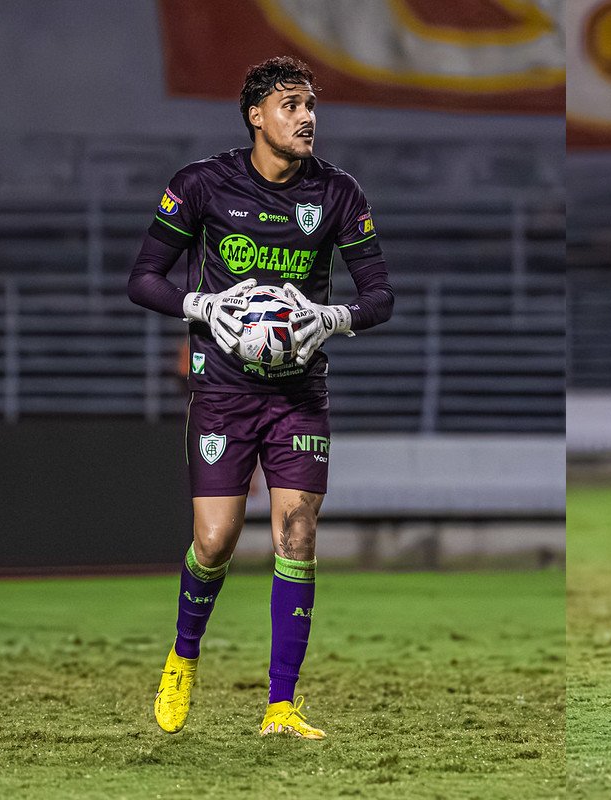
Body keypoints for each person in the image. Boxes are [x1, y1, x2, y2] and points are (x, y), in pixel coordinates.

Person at [128, 56, 394, 738]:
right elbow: (144, 279)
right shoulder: (201, 185)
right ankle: (184, 655)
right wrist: (202, 305)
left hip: (300, 392)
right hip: (222, 388)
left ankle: (281, 705)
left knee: (298, 531)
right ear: (255, 115)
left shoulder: (337, 193)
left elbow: (379, 296)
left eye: (311, 105)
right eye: (291, 105)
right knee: (214, 542)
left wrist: (332, 318)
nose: (307, 117)